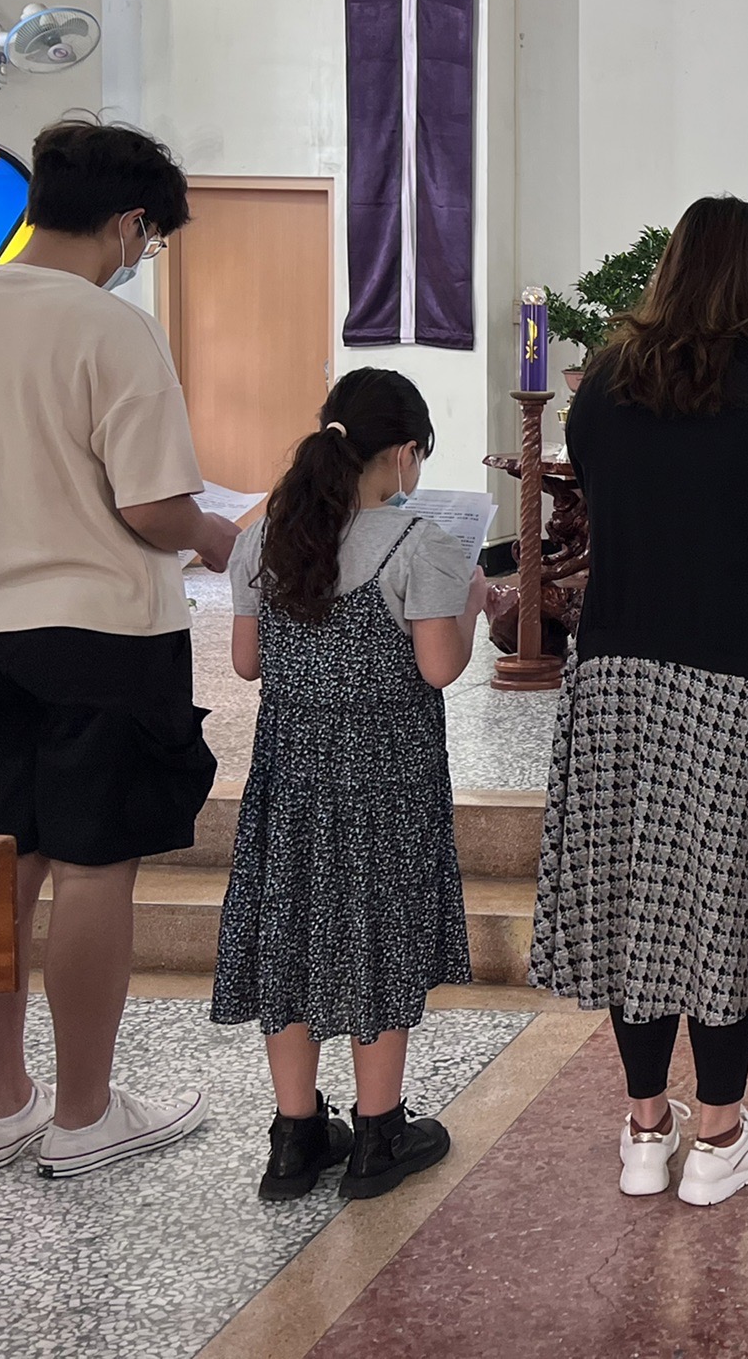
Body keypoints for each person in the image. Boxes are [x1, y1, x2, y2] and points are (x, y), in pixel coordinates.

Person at [0, 119, 236, 1178]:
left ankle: (1, 1105)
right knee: (94, 866)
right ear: (130, 221)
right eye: (150, 238)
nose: (142, 256)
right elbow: (150, 507)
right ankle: (86, 1114)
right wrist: (222, 538)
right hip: (103, 628)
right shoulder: (112, 329)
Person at [531, 196, 748, 1207]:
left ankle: (645, 1129)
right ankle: (717, 1138)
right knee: (727, 898)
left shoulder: (604, 388)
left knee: (636, 893)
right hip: (742, 676)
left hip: (618, 675)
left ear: (670, 272)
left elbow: (613, 507)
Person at [214, 369, 495, 1201]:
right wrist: (472, 603)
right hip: (386, 776)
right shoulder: (417, 543)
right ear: (404, 454)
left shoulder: (267, 537)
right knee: (378, 932)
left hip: (291, 773)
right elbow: (438, 669)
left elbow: (246, 662)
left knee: (290, 931)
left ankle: (294, 1138)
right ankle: (378, 1135)